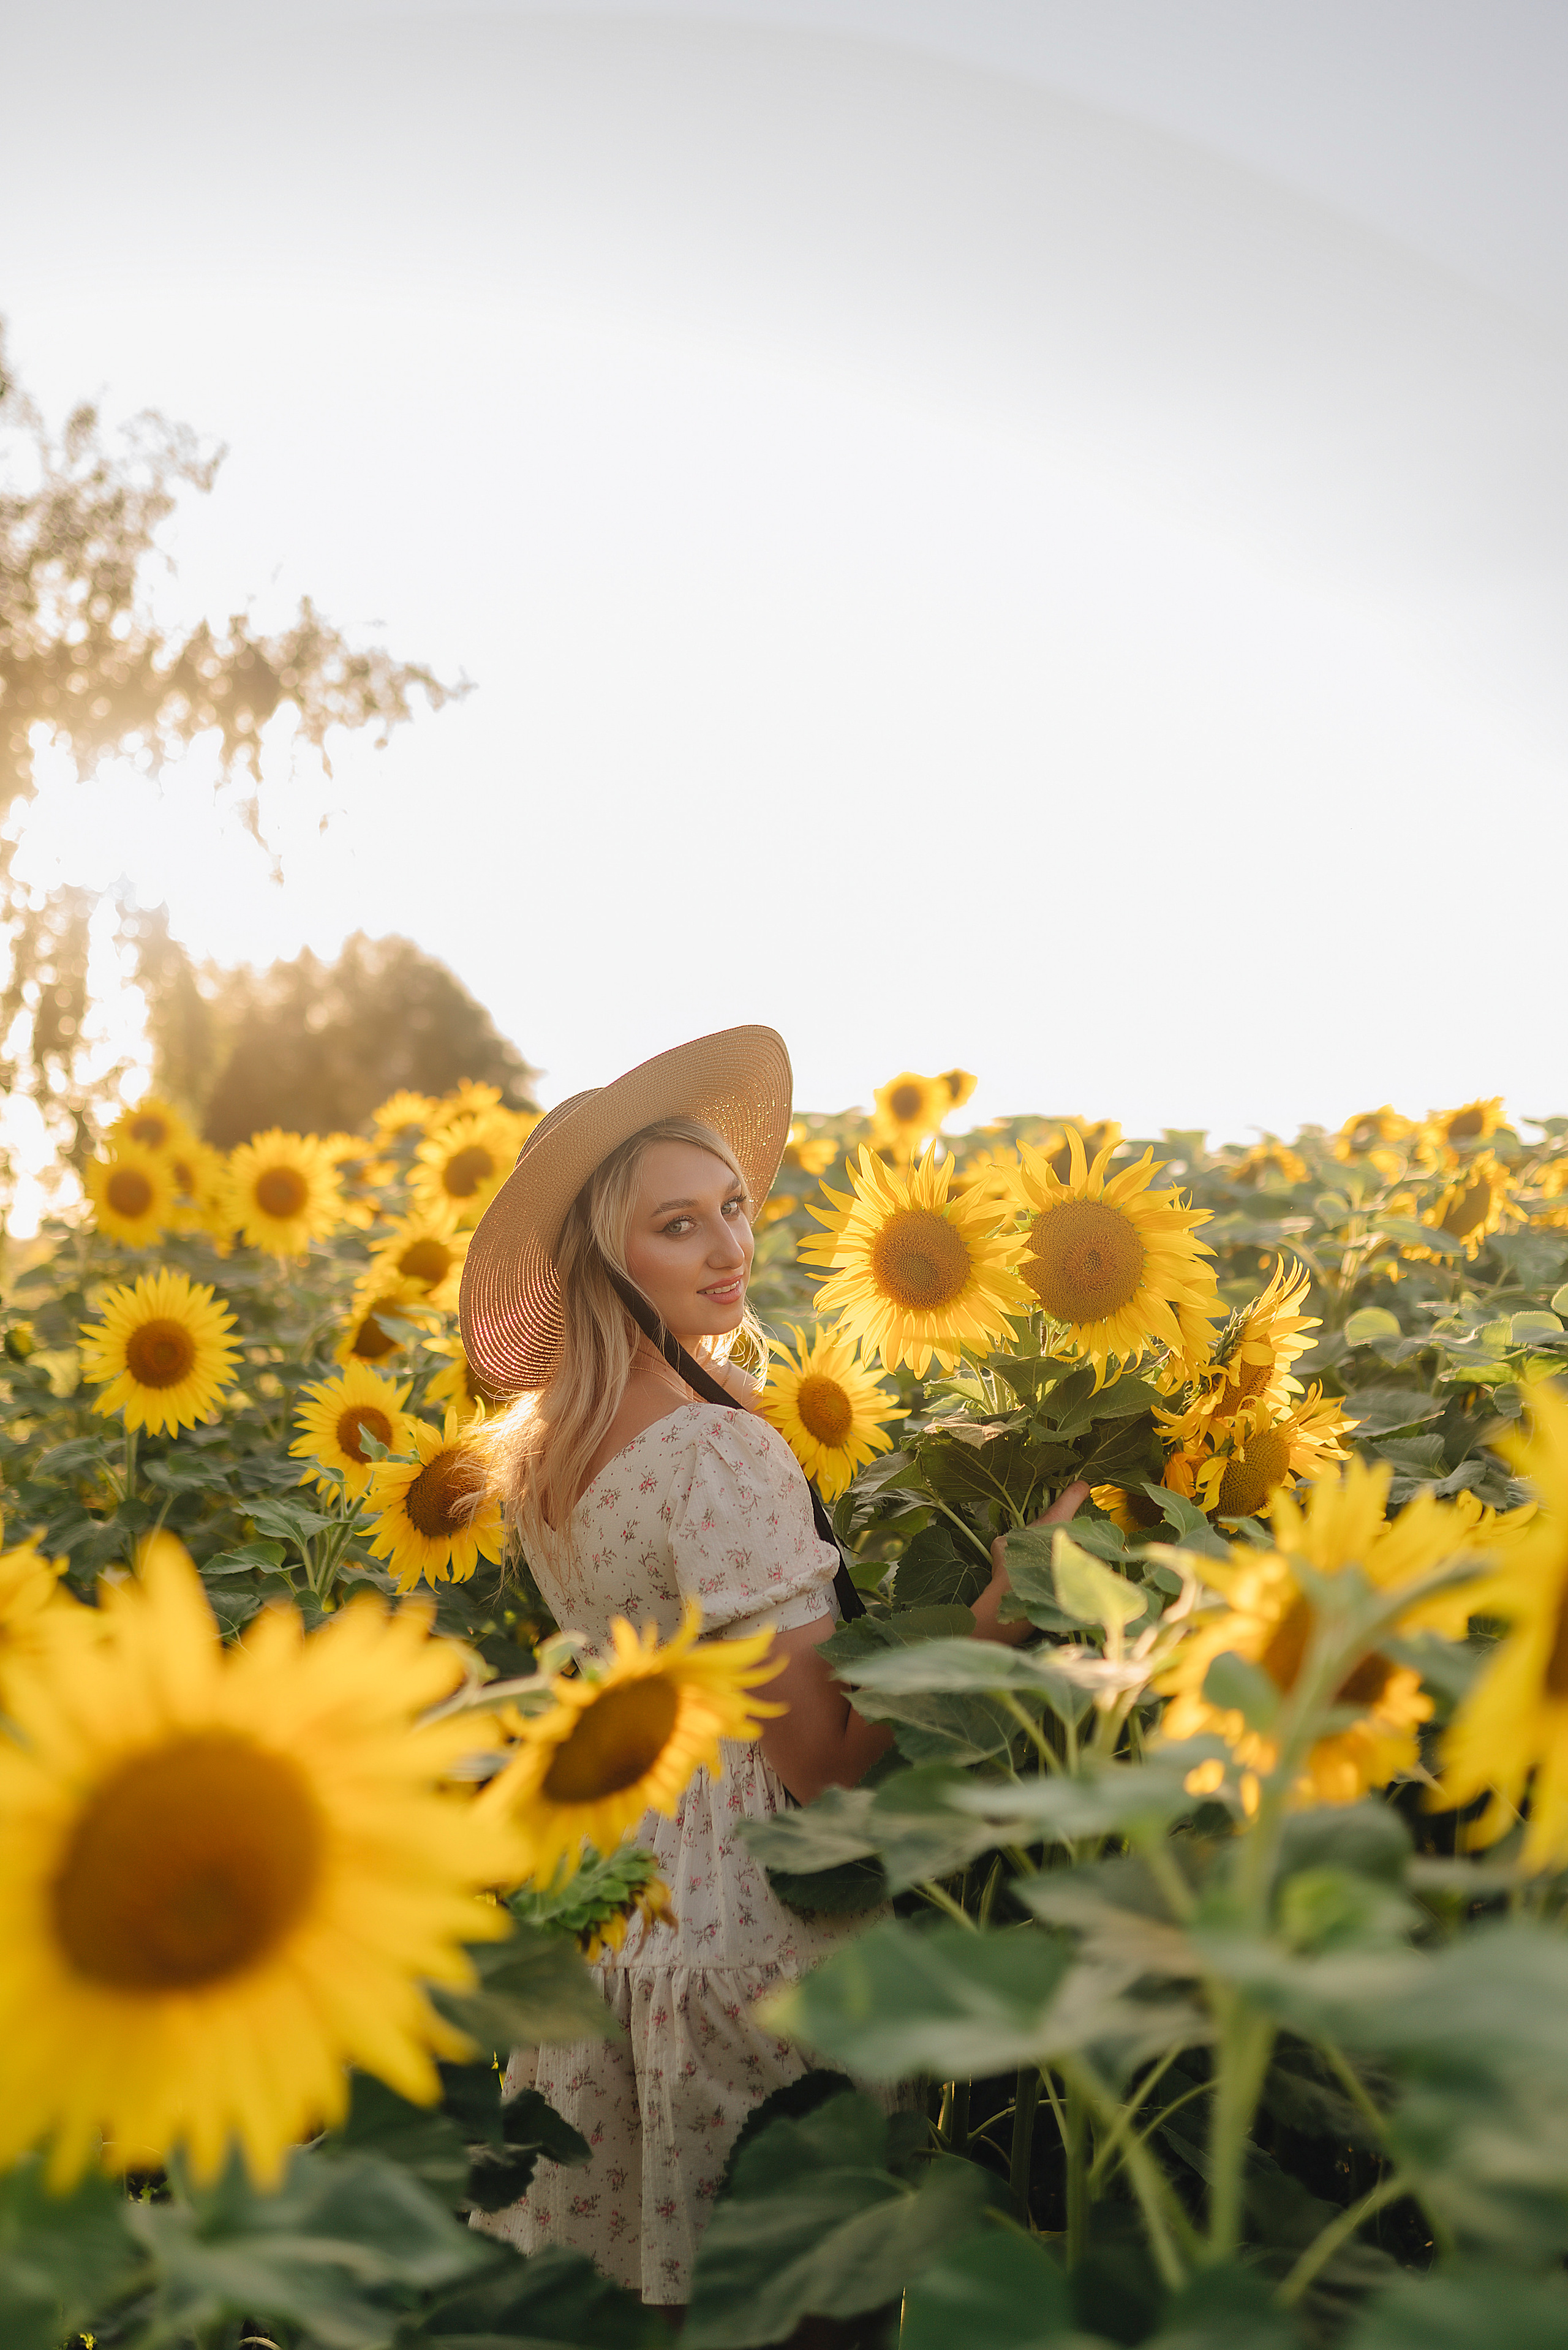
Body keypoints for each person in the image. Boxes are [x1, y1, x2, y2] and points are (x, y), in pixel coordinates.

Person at [458, 1025, 1085, 2313]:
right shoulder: (717, 1455)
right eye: (677, 1225)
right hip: (755, 1935)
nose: (730, 1246)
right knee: (802, 2311)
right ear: (604, 1259)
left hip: (612, 1923)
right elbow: (819, 1755)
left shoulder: (542, 1464)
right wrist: (1000, 1605)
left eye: (732, 1209)